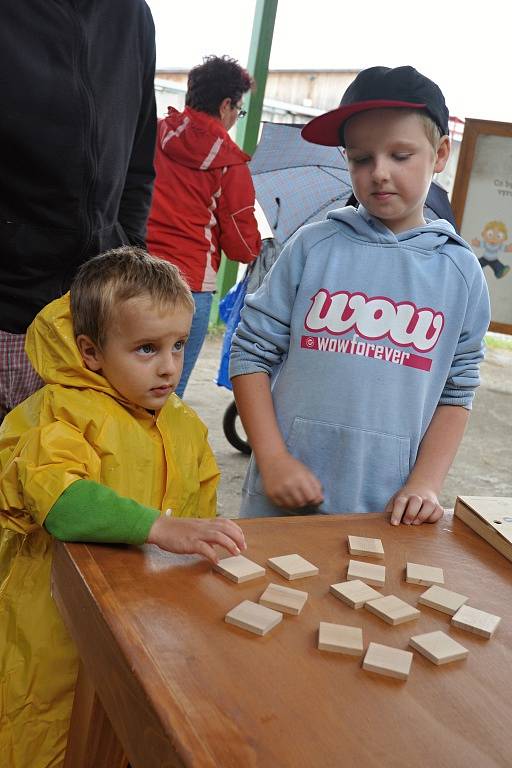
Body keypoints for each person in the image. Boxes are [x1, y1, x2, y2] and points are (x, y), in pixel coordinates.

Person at [0, 247, 246, 768]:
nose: (169, 366)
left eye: (179, 345)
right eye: (146, 349)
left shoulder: (182, 424)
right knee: (49, 732)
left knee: (123, 726)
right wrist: (160, 527)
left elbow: (197, 516)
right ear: (91, 352)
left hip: (140, 617)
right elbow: (63, 500)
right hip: (52, 626)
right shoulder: (62, 415)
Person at [230, 65, 491, 526]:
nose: (379, 173)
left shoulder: (460, 272)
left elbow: (458, 387)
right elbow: (250, 354)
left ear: (441, 153)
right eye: (361, 158)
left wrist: (426, 483)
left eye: (400, 154)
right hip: (282, 501)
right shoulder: (312, 246)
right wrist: (271, 459)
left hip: (387, 512)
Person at [0, 0, 157, 420]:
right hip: (8, 312)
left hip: (92, 315)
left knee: (71, 476)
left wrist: (129, 259)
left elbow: (140, 163)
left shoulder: (132, 15)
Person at [147, 54, 261, 398]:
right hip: (188, 286)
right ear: (226, 104)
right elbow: (242, 245)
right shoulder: (229, 162)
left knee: (117, 384)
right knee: (165, 397)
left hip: (130, 271)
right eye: (238, 111)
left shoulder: (151, 133)